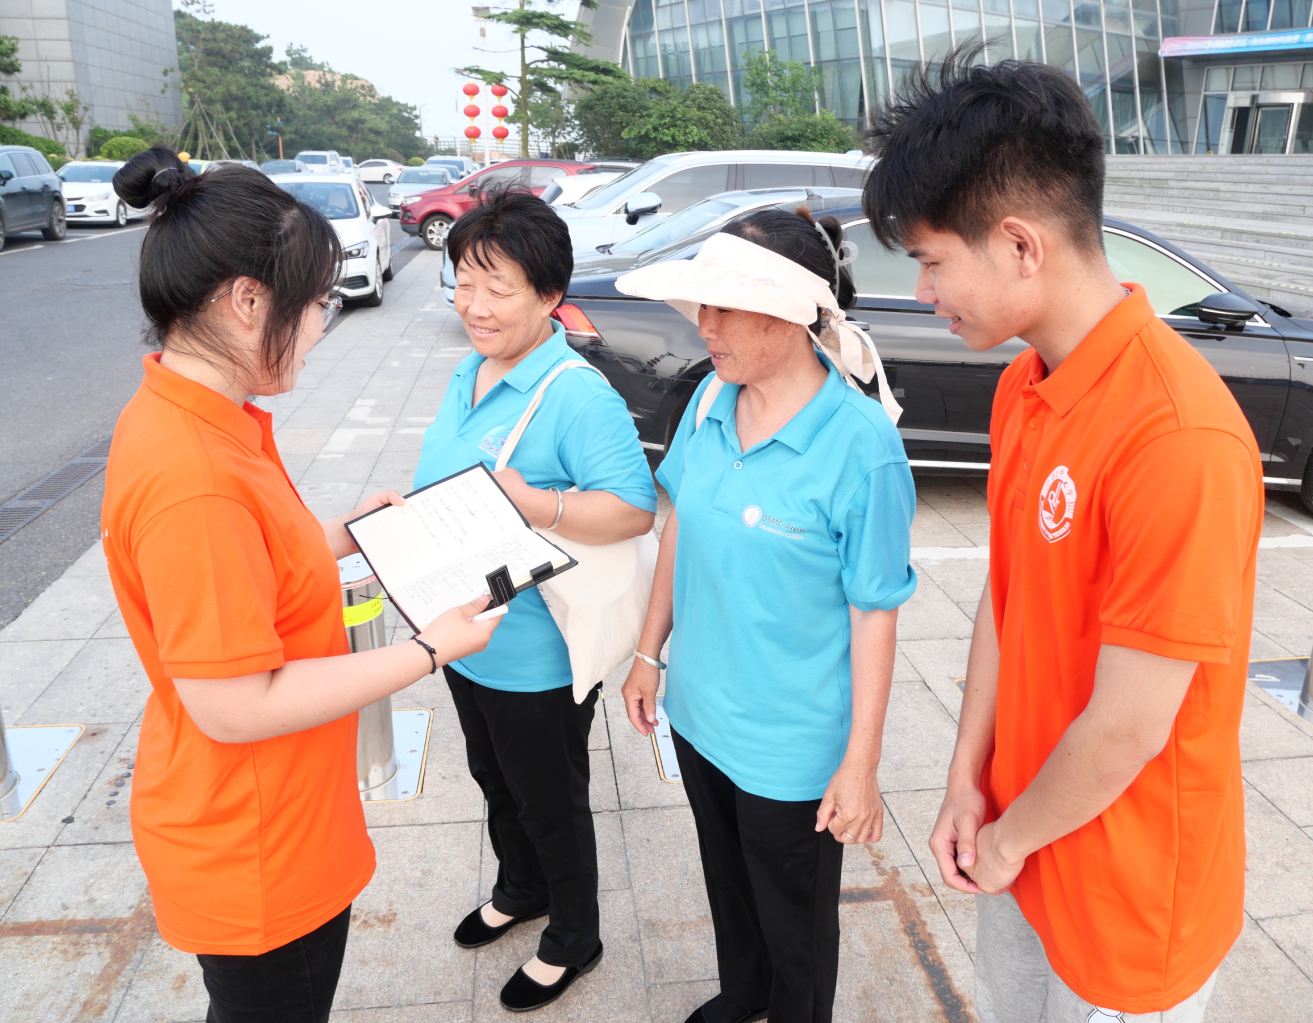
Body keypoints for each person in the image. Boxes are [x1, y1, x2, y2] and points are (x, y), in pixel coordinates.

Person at [862, 53, 1263, 1022]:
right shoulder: (1023, 386)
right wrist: (967, 781)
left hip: (1128, 900)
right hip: (1016, 837)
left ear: (1018, 245)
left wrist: (1005, 841)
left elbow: (1129, 725)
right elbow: (1009, 599)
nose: (921, 291)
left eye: (930, 262)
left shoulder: (1178, 436)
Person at [102, 147, 503, 1023]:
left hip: (278, 809)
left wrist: (345, 533)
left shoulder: (200, 416)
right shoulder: (194, 477)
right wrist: (428, 648)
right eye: (317, 302)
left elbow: (251, 559)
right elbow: (233, 703)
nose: (322, 325)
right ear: (247, 300)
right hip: (256, 841)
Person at [617, 206, 918, 1023]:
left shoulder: (860, 446)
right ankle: (744, 992)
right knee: (729, 881)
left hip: (790, 745)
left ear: (788, 313)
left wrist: (860, 763)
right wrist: (647, 652)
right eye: (701, 307)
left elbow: (875, 612)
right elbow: (679, 523)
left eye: (723, 308)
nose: (703, 326)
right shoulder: (712, 398)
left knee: (796, 923)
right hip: (699, 714)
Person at [415, 189, 657, 1012]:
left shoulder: (575, 393)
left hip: (536, 653)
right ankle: (521, 888)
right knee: (493, 777)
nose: (474, 306)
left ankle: (574, 934)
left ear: (550, 295)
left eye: (498, 288)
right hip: (466, 638)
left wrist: (536, 504)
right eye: (463, 283)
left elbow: (632, 509)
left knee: (549, 800)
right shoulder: (469, 368)